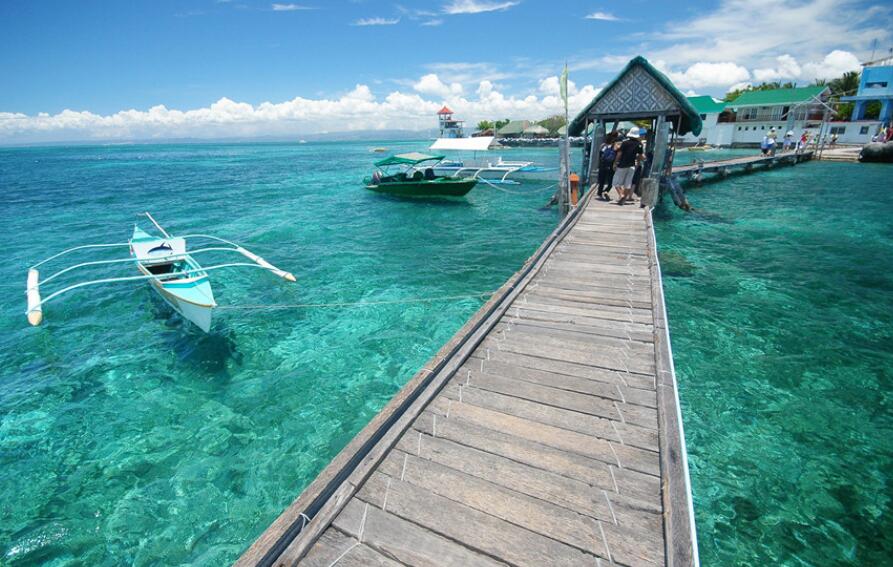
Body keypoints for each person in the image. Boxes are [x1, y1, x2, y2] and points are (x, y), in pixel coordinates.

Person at [612, 127, 644, 206]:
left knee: (615, 182)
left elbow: (620, 153)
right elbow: (641, 156)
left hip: (622, 165)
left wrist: (615, 163)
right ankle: (622, 200)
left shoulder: (625, 143)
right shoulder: (639, 144)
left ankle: (621, 195)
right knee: (628, 184)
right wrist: (638, 161)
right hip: (632, 166)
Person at [591, 132, 619, 200]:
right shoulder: (615, 145)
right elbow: (618, 155)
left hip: (602, 165)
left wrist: (598, 165)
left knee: (601, 181)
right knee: (611, 181)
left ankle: (599, 193)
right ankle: (606, 191)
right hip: (610, 165)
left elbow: (600, 156)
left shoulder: (603, 145)